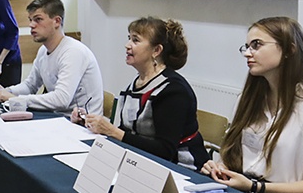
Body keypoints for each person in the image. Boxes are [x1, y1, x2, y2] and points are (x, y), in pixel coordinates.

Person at [201, 17, 303, 193]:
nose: (247, 53)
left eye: (257, 45)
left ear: (289, 50)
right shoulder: (249, 99)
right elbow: (234, 152)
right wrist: (221, 168)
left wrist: (255, 187)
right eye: (246, 46)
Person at [79, 17, 209, 171]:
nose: (127, 45)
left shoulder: (173, 90)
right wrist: (91, 123)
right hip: (141, 163)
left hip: (182, 169)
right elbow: (129, 131)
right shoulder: (136, 84)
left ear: (156, 50)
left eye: (135, 40)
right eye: (129, 38)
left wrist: (112, 131)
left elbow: (165, 151)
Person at [0, 0, 103, 116]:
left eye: (38, 19)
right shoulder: (43, 50)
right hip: (58, 118)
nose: (31, 25)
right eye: (30, 19)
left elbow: (61, 99)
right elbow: (30, 85)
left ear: (57, 21)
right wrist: (7, 91)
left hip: (81, 125)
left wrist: (16, 99)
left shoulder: (73, 51)